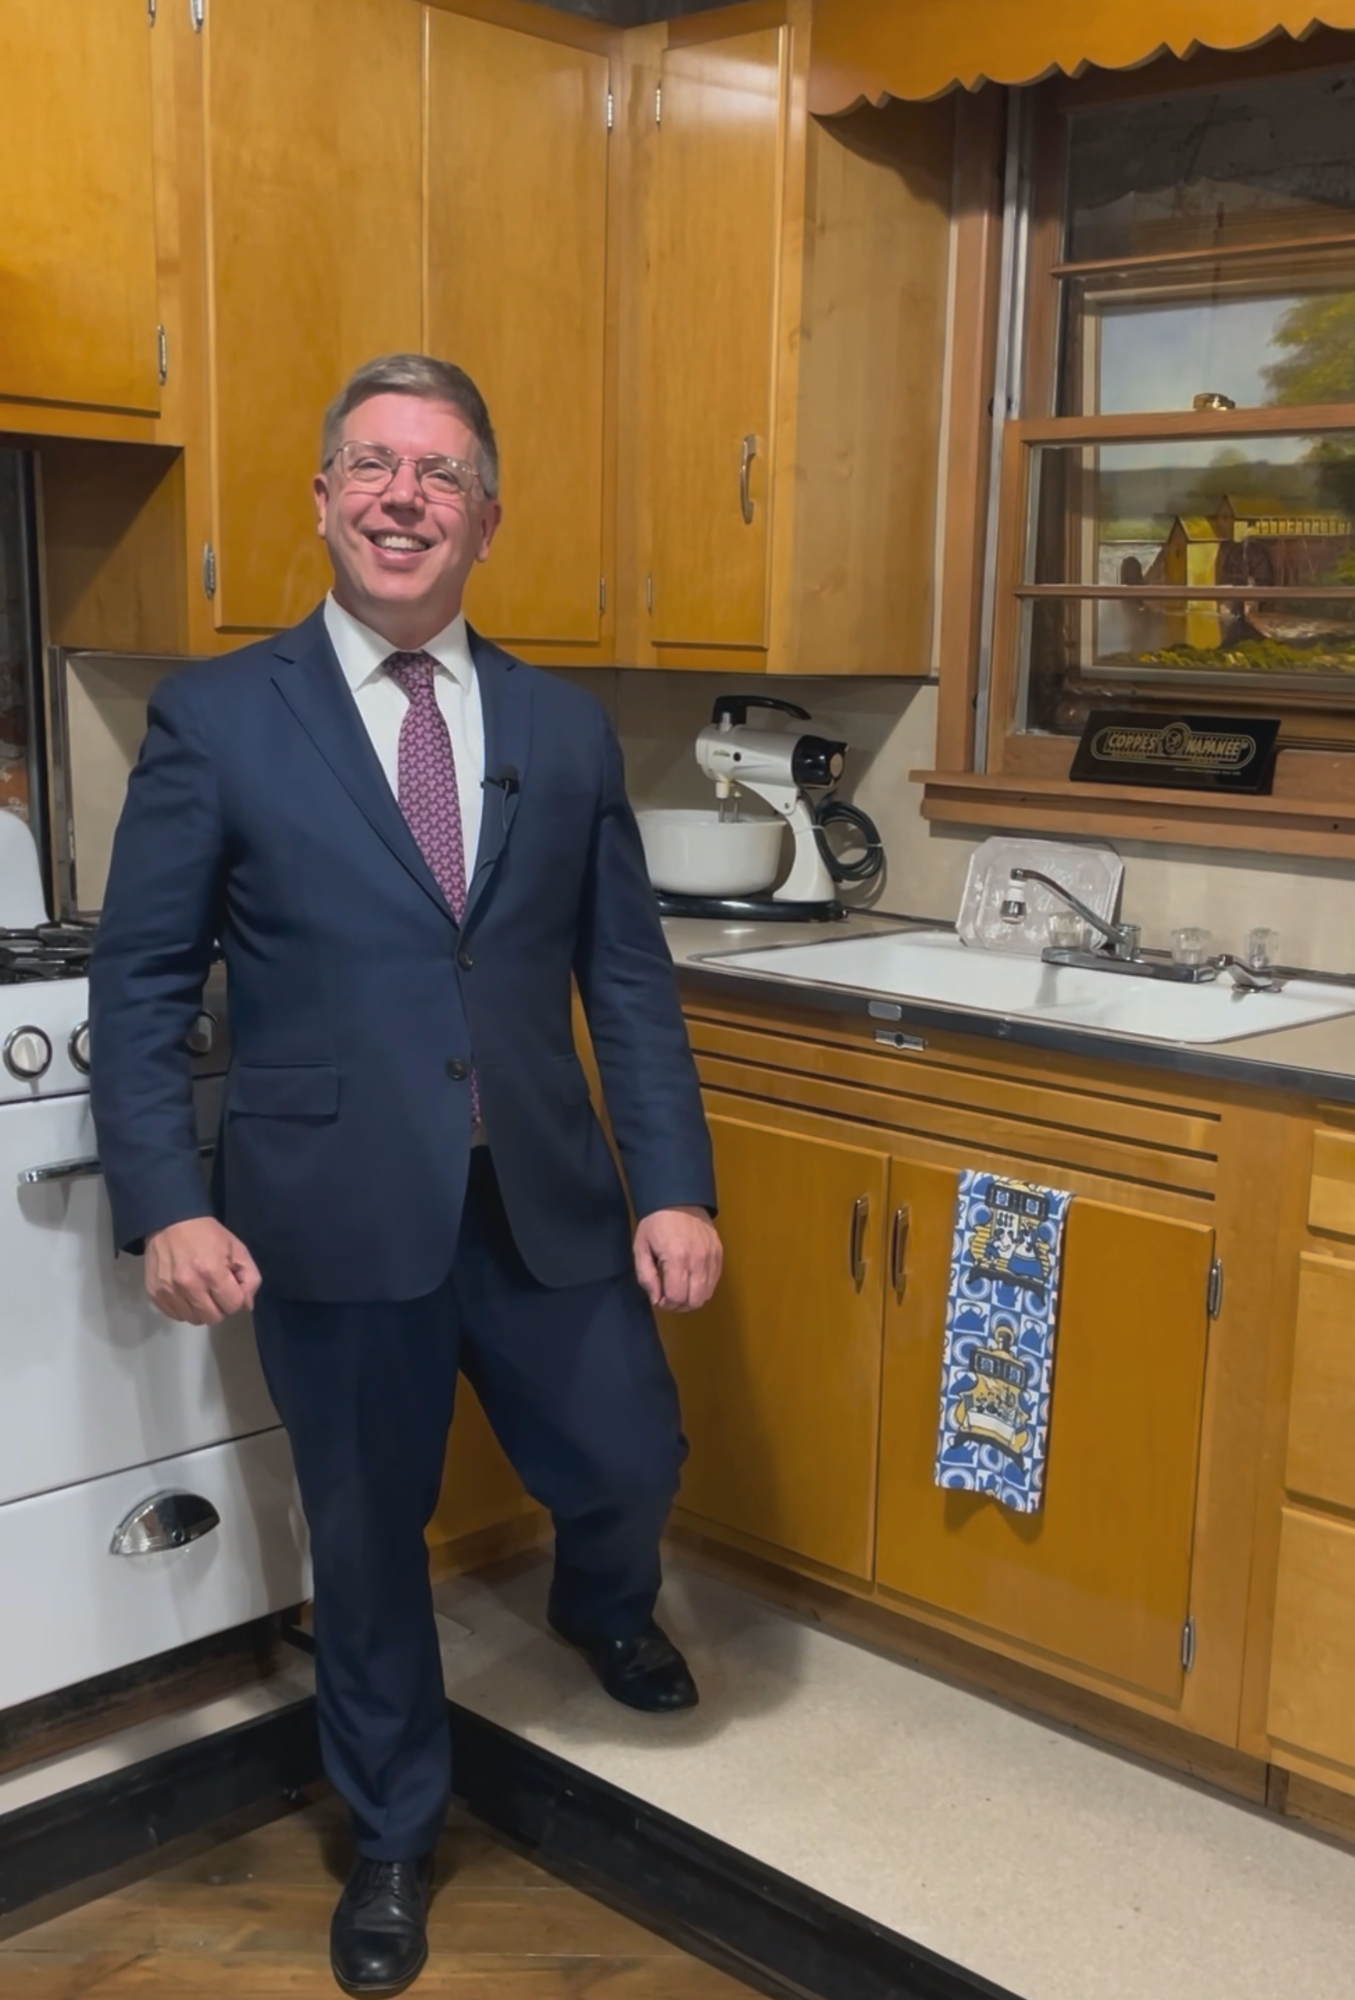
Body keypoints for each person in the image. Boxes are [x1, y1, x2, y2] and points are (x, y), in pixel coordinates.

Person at [89, 354, 722, 1998]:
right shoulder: (219, 718)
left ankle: (607, 1599)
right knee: (369, 1538)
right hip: (328, 1207)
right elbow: (142, 984)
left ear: (486, 518)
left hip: (544, 1197)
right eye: (372, 466)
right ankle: (389, 1834)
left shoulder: (567, 730)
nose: (401, 498)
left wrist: (674, 1183)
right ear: (321, 499)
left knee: (631, 1446)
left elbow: (628, 980)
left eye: (438, 476)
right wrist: (166, 1198)